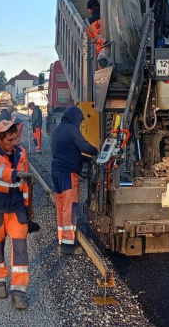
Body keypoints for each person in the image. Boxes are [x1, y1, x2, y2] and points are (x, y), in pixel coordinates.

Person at [0, 120, 33, 310]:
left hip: (16, 210)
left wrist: (28, 211)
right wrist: (17, 174)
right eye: (10, 139)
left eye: (15, 138)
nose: (14, 142)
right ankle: (0, 282)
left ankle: (18, 293)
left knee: (20, 251)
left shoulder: (21, 153)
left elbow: (25, 185)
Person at [50, 106, 99, 254]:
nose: (79, 124)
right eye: (79, 121)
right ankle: (68, 245)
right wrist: (97, 151)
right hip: (67, 174)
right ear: (74, 118)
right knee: (70, 208)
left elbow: (68, 151)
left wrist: (84, 159)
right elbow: (84, 146)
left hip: (56, 171)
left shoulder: (58, 129)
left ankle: (62, 239)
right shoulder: (72, 129)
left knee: (61, 207)